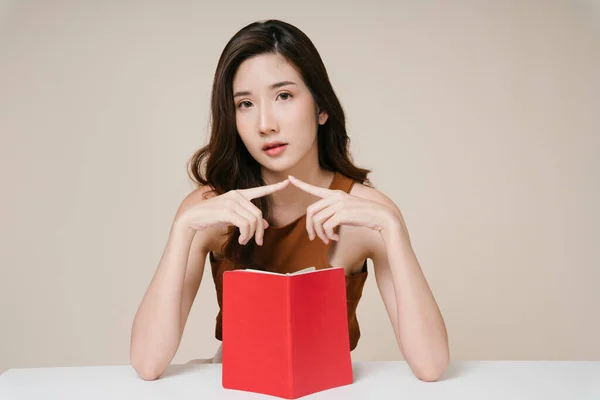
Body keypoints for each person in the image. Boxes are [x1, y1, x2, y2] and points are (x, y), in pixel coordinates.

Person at [130, 19, 449, 383]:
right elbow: (147, 362)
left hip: (329, 389)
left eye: (284, 96)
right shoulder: (209, 210)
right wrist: (183, 229)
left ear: (321, 108)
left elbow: (432, 365)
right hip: (237, 388)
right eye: (245, 103)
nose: (266, 123)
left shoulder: (367, 213)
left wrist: (392, 229)